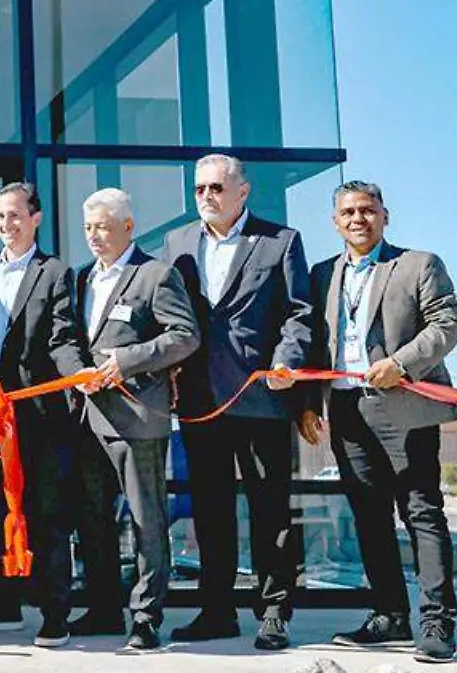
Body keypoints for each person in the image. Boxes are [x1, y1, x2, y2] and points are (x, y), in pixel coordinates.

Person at [295, 181, 457, 664]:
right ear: (335, 221)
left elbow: (447, 324)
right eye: (347, 212)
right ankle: (390, 615)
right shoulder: (322, 274)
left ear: (385, 216)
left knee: (421, 513)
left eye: (367, 210)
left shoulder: (418, 264)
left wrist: (403, 363)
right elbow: (315, 347)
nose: (357, 219)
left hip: (405, 406)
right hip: (347, 410)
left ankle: (436, 621)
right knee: (369, 515)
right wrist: (309, 402)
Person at [161, 154, 312, 650]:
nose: (207, 197)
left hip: (261, 397)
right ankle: (216, 610)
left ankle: (273, 613)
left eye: (216, 189)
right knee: (211, 510)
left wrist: (287, 362)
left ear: (242, 192)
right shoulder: (177, 243)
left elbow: (299, 313)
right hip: (202, 402)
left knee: (269, 510)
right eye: (200, 188)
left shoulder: (280, 241)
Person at [0, 182, 86, 648]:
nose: (6, 225)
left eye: (14, 216)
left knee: (44, 511)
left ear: (36, 218)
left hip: (36, 407)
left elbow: (62, 338)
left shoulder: (54, 271)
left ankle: (54, 613)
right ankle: (2, 603)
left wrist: (77, 377)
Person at [70, 188, 199, 650]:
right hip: (88, 417)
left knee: (147, 520)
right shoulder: (83, 278)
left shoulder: (155, 275)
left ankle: (145, 617)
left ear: (128, 226)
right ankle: (104, 607)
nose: (94, 236)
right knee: (93, 519)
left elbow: (184, 336)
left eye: (102, 227)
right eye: (88, 228)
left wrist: (127, 360)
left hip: (137, 416)